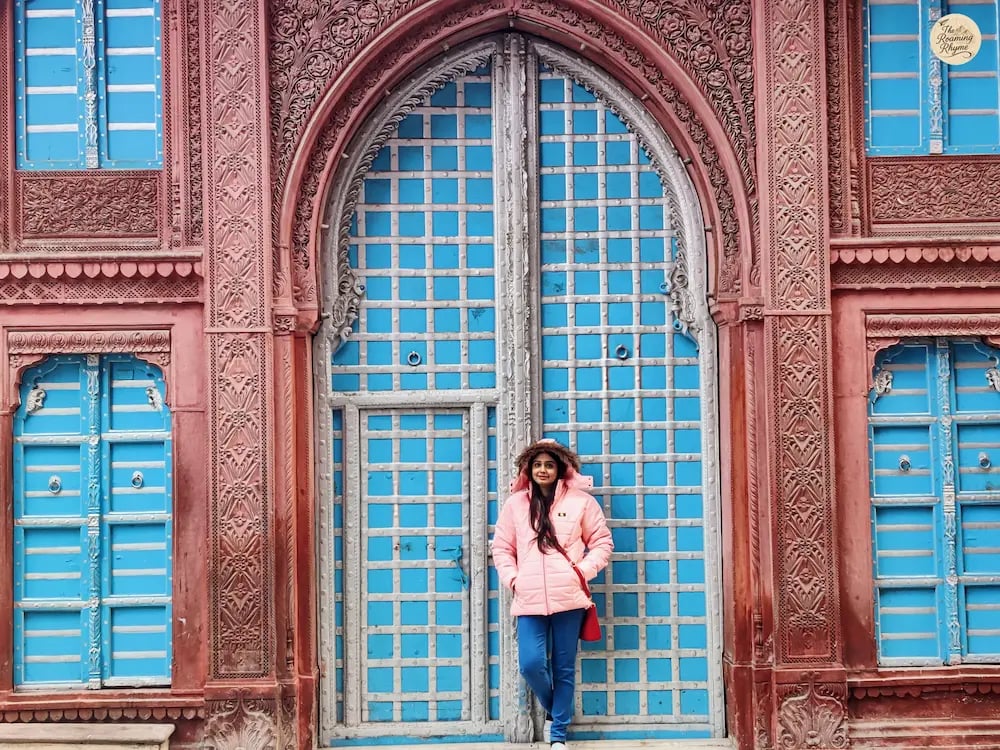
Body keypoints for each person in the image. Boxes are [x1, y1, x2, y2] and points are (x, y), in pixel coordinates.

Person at [491, 439, 614, 750]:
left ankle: (558, 734)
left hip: (569, 598)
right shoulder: (515, 504)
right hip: (529, 597)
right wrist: (514, 579)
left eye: (549, 464)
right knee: (531, 664)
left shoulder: (581, 502)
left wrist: (581, 572)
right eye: (537, 465)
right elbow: (502, 548)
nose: (542, 470)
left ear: (560, 469)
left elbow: (602, 542)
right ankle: (556, 708)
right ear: (528, 469)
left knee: (563, 666)